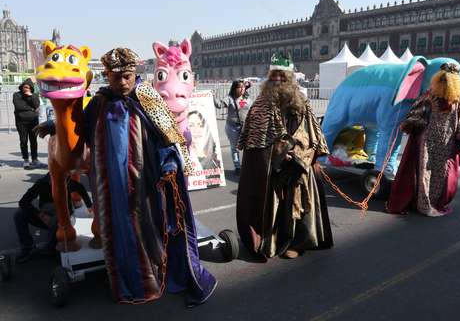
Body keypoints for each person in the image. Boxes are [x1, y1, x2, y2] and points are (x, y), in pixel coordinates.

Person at [82, 48, 216, 305]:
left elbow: (168, 139)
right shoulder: (99, 102)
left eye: (128, 76)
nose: (122, 83)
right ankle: (124, 281)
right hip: (110, 184)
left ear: (135, 75)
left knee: (147, 228)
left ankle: (152, 277)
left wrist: (169, 165)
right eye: (115, 77)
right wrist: (55, 125)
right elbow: (82, 126)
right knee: (117, 231)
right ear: (107, 76)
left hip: (143, 182)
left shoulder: (148, 98)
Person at [236, 54, 333, 260]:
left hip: (298, 163)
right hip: (272, 166)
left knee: (298, 201)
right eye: (275, 76)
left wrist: (298, 154)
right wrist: (277, 155)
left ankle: (298, 242)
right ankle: (270, 239)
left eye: (283, 76)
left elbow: (312, 134)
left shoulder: (302, 102)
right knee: (271, 204)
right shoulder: (260, 104)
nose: (279, 80)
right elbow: (255, 141)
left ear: (290, 78)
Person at [386, 63, 460, 217]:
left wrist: (410, 125)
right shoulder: (454, 100)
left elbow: (413, 118)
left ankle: (422, 202)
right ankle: (427, 203)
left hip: (434, 143)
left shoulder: (434, 97)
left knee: (427, 172)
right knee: (432, 173)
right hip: (437, 143)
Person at [14, 172, 92, 263]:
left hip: (65, 219)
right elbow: (23, 202)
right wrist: (40, 215)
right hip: (46, 216)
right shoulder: (42, 183)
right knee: (19, 214)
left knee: (59, 218)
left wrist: (90, 206)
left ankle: (50, 247)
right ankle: (27, 247)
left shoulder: (69, 182)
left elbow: (81, 189)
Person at [214, 80, 252, 175]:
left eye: (243, 87)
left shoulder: (247, 97)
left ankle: (248, 165)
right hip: (232, 127)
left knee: (249, 147)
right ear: (235, 89)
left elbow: (253, 109)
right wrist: (213, 96)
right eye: (239, 87)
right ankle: (237, 166)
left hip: (246, 127)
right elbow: (219, 105)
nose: (242, 89)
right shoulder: (230, 98)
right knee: (234, 148)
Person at [13, 78, 40, 169]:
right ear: (22, 87)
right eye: (25, 87)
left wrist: (31, 96)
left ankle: (35, 159)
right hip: (21, 123)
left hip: (33, 122)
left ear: (31, 88)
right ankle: (26, 159)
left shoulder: (34, 95)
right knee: (23, 141)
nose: (26, 89)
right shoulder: (16, 95)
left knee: (34, 141)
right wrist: (31, 109)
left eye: (28, 87)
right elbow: (19, 106)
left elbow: (37, 105)